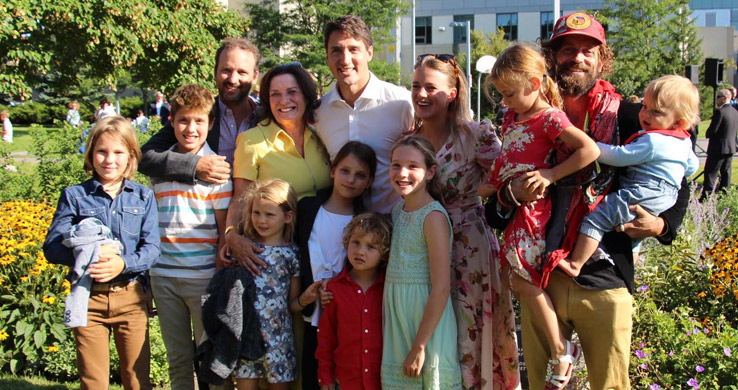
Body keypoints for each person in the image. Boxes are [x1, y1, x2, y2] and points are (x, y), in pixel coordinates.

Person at [486, 13, 691, 389]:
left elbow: (678, 178)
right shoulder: (523, 115)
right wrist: (510, 195)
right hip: (541, 279)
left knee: (609, 384)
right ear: (551, 59)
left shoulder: (632, 117)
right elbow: (499, 201)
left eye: (588, 51)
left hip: (604, 277)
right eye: (567, 50)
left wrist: (663, 225)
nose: (578, 58)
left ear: (602, 59)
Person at [484, 44, 599, 389]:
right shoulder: (511, 116)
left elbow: (589, 150)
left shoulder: (549, 117)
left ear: (534, 84)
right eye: (501, 95)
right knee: (514, 277)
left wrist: (551, 175)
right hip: (512, 202)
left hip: (533, 210)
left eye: (509, 94)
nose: (504, 102)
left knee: (523, 280)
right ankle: (561, 348)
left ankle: (562, 350)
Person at [406, 54, 519, 389]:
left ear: (452, 93)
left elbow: (505, 178)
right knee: (428, 333)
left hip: (468, 249)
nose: (421, 94)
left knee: (469, 332)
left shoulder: (476, 135)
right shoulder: (409, 140)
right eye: (415, 86)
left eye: (430, 87)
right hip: (421, 249)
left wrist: (469, 194)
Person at [42, 116, 160, 390]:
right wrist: (87, 252)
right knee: (93, 380)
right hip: (88, 298)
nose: (110, 160)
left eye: (119, 152)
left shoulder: (143, 197)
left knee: (136, 379)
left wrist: (122, 263)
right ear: (91, 153)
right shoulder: (74, 196)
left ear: (131, 156)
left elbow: (152, 248)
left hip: (130, 297)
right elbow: (51, 247)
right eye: (102, 151)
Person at [560, 75, 699, 276]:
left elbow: (619, 156)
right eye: (644, 106)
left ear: (679, 122)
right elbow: (692, 168)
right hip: (666, 194)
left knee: (596, 218)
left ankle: (575, 264)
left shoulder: (652, 141)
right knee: (633, 238)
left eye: (656, 111)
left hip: (643, 190)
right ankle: (631, 271)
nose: (645, 115)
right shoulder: (683, 141)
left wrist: (590, 146)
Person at [148, 84, 233, 390]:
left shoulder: (218, 170)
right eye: (183, 120)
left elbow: (225, 230)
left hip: (203, 276)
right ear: (171, 121)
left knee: (212, 357)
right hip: (164, 275)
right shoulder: (159, 166)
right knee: (178, 358)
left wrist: (219, 276)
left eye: (199, 121)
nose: (190, 128)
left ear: (210, 124)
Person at [224, 63, 332, 272]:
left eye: (292, 92)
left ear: (306, 96)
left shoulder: (320, 136)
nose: (284, 100)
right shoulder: (252, 141)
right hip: (278, 253)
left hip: (324, 247)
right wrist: (231, 235)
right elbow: (240, 198)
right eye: (275, 94)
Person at [295, 141, 377, 390]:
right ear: (332, 170)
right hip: (310, 315)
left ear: (370, 182)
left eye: (360, 175)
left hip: (347, 321)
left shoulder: (366, 222)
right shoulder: (307, 209)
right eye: (345, 170)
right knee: (312, 377)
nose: (350, 179)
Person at [381, 135, 461, 389]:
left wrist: (420, 346)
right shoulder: (397, 211)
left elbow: (441, 287)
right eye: (396, 165)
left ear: (430, 172)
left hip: (425, 323)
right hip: (398, 316)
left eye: (413, 166)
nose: (402, 173)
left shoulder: (433, 217)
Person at [316, 15, 413, 213]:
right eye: (336, 50)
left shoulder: (402, 103)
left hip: (393, 223)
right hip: (341, 226)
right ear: (327, 57)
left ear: (369, 53)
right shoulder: (319, 112)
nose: (345, 59)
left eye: (353, 49)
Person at [230, 179, 322, 390]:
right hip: (246, 338)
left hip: (278, 340)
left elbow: (291, 306)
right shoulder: (245, 250)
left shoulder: (292, 255)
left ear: (288, 216)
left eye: (269, 214)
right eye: (256, 213)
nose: (261, 220)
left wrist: (304, 299)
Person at [139, 37, 261, 183]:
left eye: (242, 72)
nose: (233, 79)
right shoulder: (199, 115)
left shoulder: (267, 117)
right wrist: (194, 165)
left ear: (254, 76)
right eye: (226, 70)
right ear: (215, 71)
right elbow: (145, 157)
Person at [315, 211, 392, 390]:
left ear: (384, 252)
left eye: (371, 247)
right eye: (355, 242)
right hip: (346, 381)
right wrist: (324, 374)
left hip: (382, 381)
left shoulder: (389, 288)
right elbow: (326, 336)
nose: (360, 251)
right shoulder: (334, 288)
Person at [701, 88, 738, 199]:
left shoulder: (720, 112)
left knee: (711, 173)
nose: (717, 99)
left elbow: (713, 130)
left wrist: (708, 133)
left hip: (718, 148)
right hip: (730, 147)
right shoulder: (735, 112)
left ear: (725, 98)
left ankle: (706, 197)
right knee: (726, 173)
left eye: (719, 97)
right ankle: (724, 195)